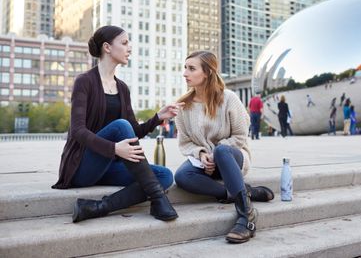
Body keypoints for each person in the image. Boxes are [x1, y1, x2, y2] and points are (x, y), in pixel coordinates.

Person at [52, 26, 182, 223]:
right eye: (124, 43)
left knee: (164, 176)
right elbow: (78, 131)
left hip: (109, 166)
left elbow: (132, 132)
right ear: (107, 47)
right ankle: (158, 199)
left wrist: (157, 117)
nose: (130, 48)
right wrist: (113, 148)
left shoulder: (122, 88)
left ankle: (96, 207)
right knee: (120, 125)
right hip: (82, 167)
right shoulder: (84, 82)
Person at [173, 51, 274, 244]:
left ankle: (246, 216)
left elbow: (240, 136)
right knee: (181, 176)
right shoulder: (182, 106)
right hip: (206, 163)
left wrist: (214, 154)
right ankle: (243, 191)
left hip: (231, 157)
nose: (185, 73)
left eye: (191, 68)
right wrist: (201, 154)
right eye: (185, 68)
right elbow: (185, 142)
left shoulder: (228, 98)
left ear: (207, 73)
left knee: (221, 150)